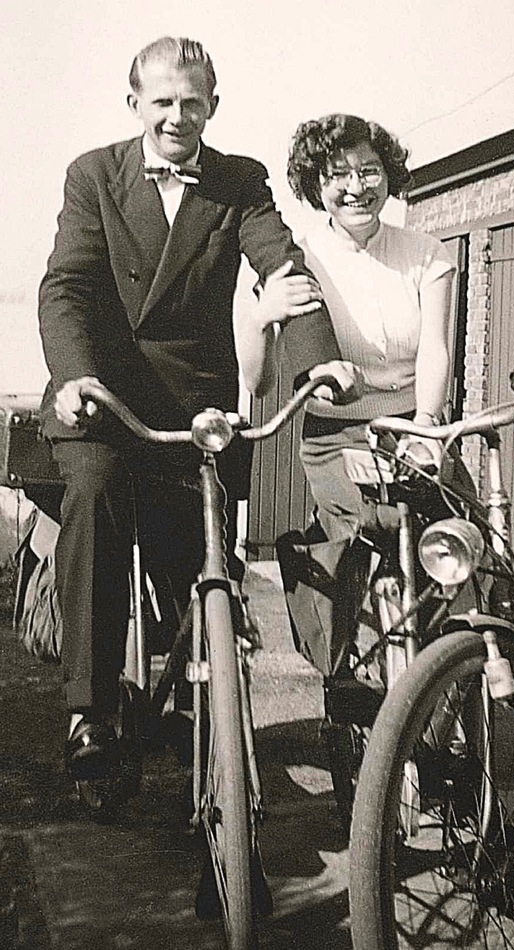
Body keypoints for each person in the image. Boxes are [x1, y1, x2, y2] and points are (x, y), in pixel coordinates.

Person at [38, 38, 360, 784]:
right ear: (135, 105)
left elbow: (283, 266)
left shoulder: (238, 180)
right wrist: (75, 376)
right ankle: (90, 710)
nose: (176, 116)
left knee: (202, 562)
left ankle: (205, 694)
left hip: (196, 406)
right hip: (106, 402)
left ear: (212, 105)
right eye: (162, 102)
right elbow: (67, 287)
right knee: (95, 494)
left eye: (192, 102)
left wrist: (319, 360)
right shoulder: (94, 175)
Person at [241, 112, 458, 544]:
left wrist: (426, 427)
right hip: (334, 437)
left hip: (415, 428)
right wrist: (261, 317)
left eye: (369, 171)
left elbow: (435, 349)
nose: (356, 188)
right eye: (338, 175)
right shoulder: (297, 261)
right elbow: (257, 383)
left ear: (389, 175)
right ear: (315, 186)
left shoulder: (427, 253)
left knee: (466, 542)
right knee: (373, 536)